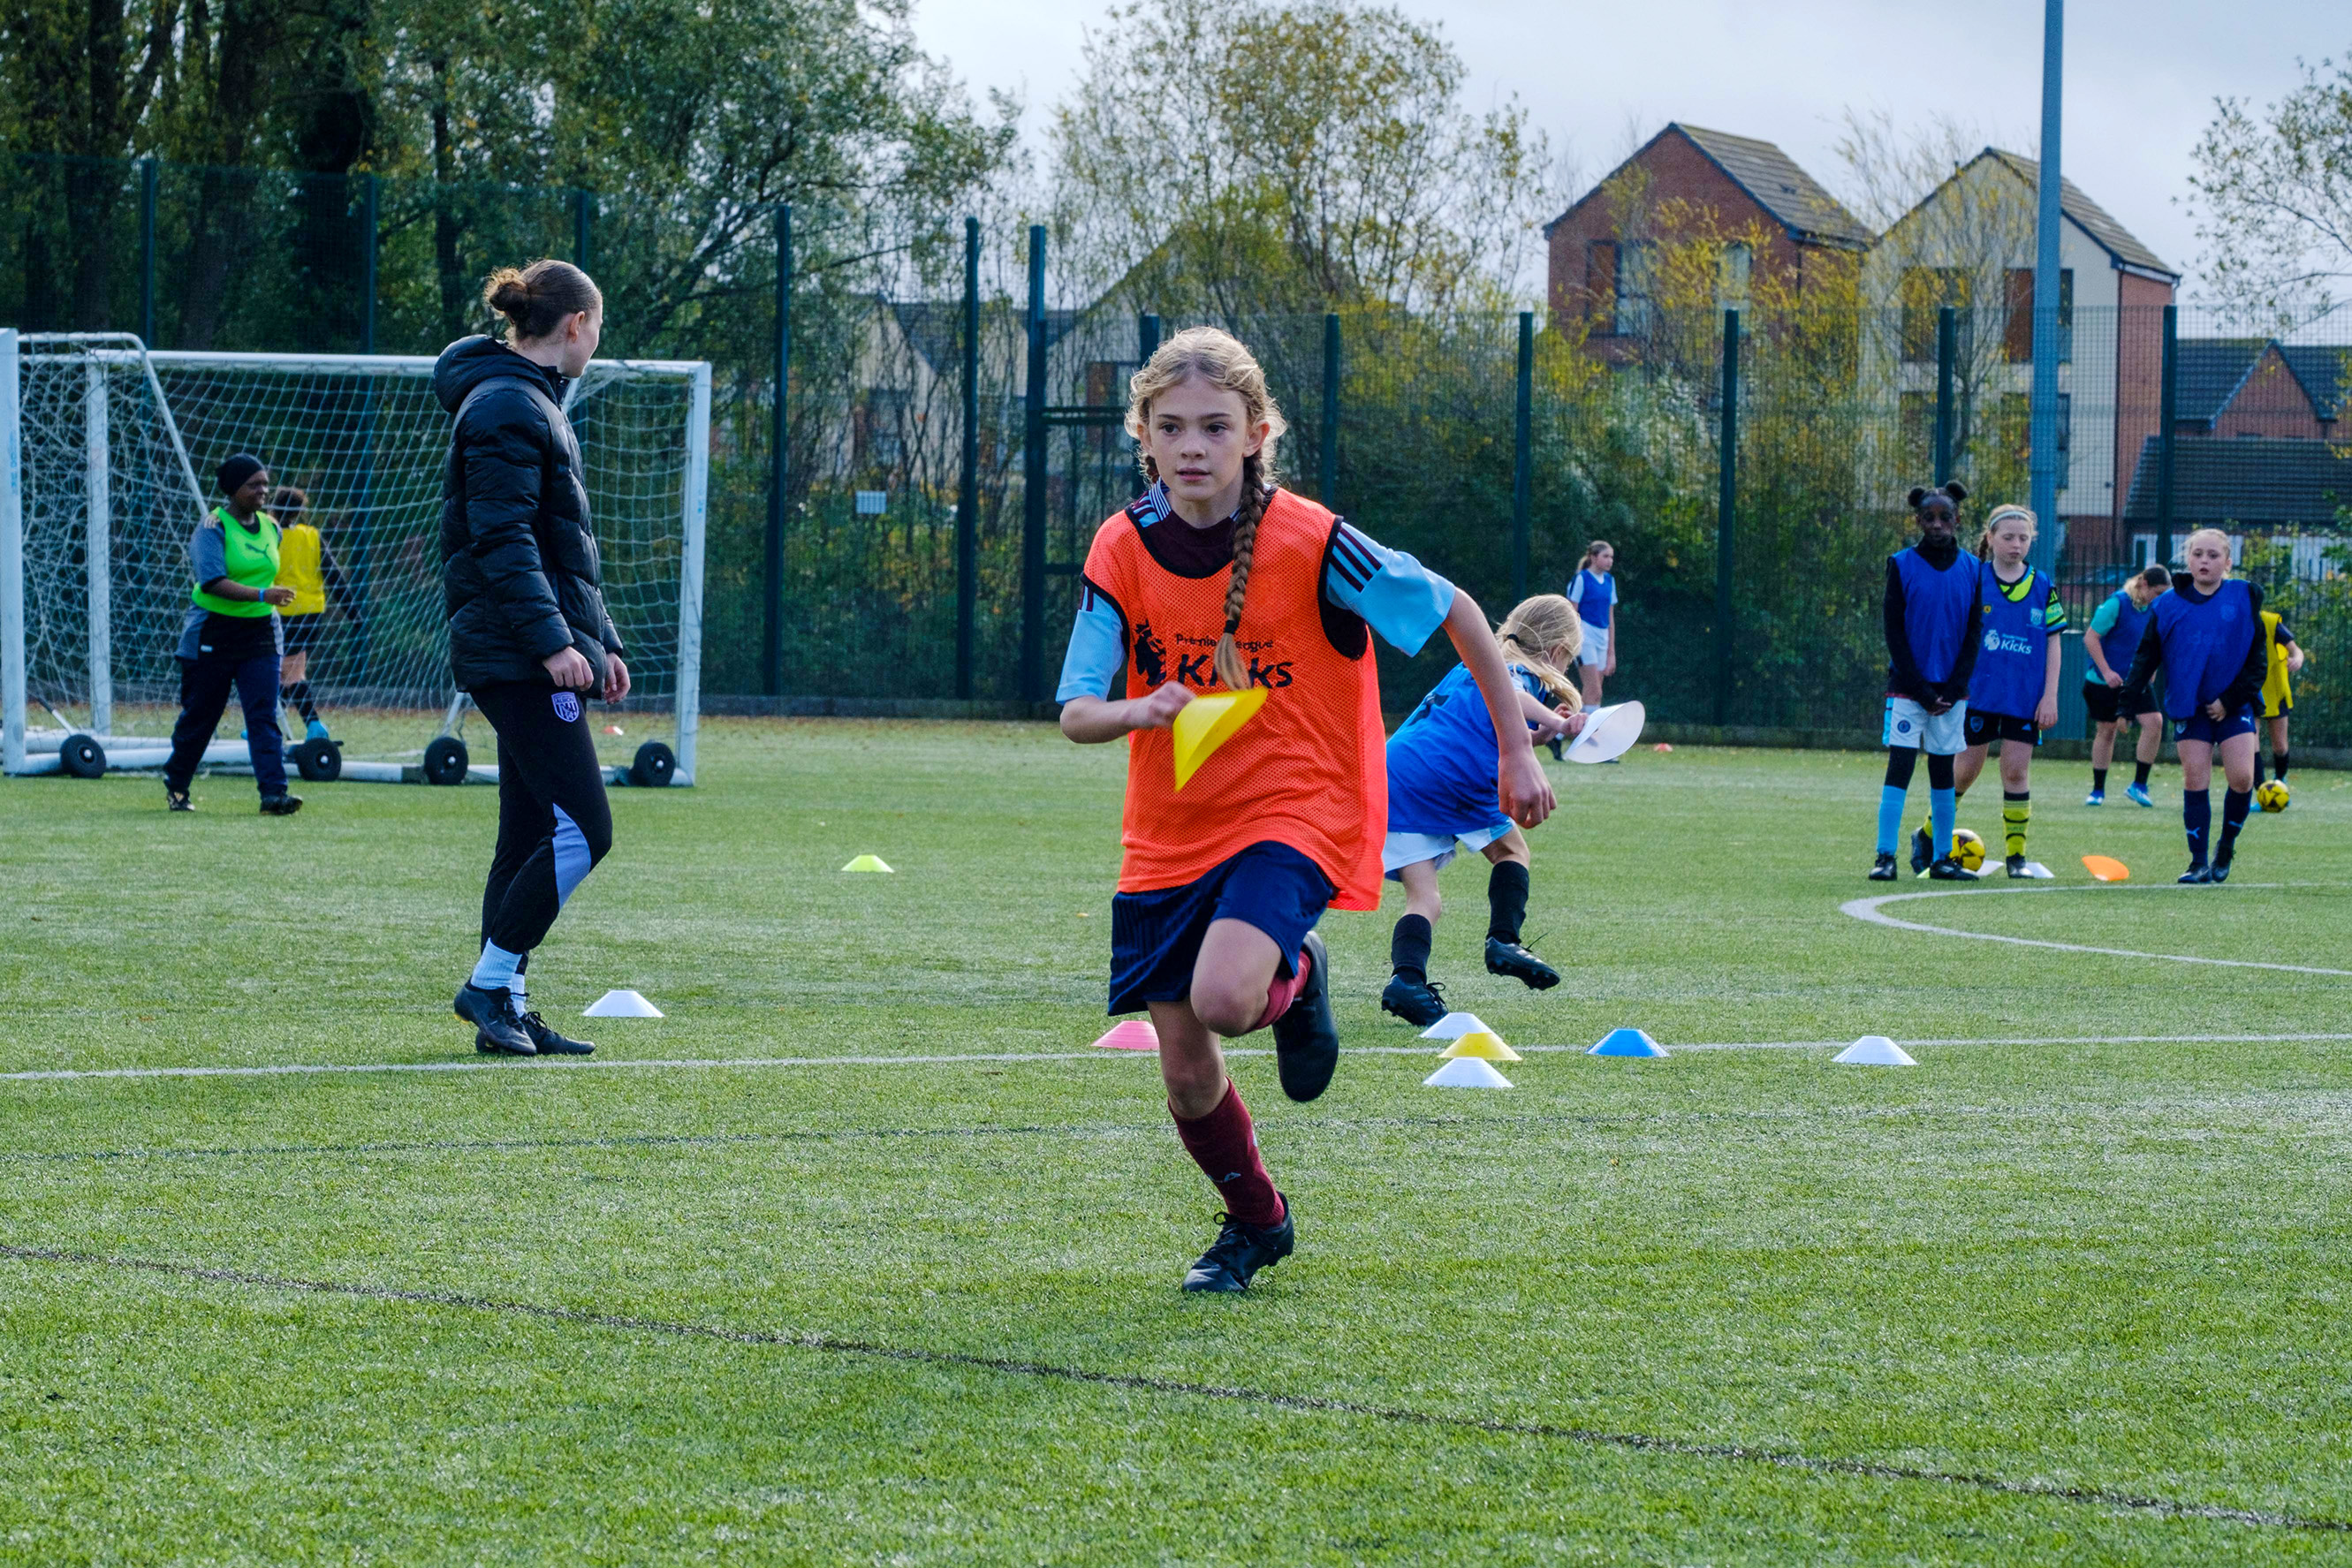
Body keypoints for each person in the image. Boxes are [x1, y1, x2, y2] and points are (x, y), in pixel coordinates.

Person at [1057, 326, 1553, 1294]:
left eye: (1214, 424)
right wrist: (1138, 707)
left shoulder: (1315, 541)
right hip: (1171, 824)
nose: (1192, 444)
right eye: (1170, 426)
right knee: (1186, 1072)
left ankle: (1295, 965)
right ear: (1143, 439)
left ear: (1256, 432)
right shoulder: (1121, 546)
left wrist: (1514, 743)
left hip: (1302, 805)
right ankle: (1256, 1222)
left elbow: (1455, 610)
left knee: (1227, 996)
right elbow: (1076, 709)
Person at [437, 260, 627, 1057]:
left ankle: (505, 1006)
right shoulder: (510, 403)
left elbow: (559, 548)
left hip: (528, 646)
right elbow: (504, 539)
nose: (597, 342)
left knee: (525, 836)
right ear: (575, 324)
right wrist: (554, 644)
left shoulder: (528, 401)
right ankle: (489, 981)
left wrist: (599, 641)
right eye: (599, 328)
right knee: (586, 827)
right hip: (516, 654)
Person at [1378, 594, 1586, 1026]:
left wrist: (1541, 733)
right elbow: (1509, 694)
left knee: (1425, 897)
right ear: (1556, 649)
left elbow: (1495, 724)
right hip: (1452, 777)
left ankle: (1407, 981)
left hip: (1397, 775)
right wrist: (1559, 720)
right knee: (1513, 853)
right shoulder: (1512, 669)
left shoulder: (1472, 662)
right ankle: (1504, 940)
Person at [1910, 504, 2065, 879]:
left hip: (2023, 698)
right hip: (1976, 695)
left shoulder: (2042, 585)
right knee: (1964, 772)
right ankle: (1927, 836)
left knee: (2016, 772)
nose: (2016, 545)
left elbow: (2054, 644)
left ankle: (2017, 858)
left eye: (2023, 538)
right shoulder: (1973, 579)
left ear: (2032, 542)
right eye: (2008, 537)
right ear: (1990, 538)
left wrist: (2049, 696)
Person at [2119, 528, 2266, 883]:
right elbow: (2145, 658)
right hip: (2190, 707)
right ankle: (2197, 863)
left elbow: (2257, 662)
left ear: (2228, 562)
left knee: (2243, 778)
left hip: (2233, 707)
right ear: (2188, 559)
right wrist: (2126, 705)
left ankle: (2226, 847)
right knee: (2195, 777)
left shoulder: (2244, 596)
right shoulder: (2166, 605)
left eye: (2213, 556)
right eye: (2198, 554)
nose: (2205, 561)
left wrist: (2228, 701)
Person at [161, 453, 302, 815]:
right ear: (233, 489)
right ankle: (177, 782)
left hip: (260, 633)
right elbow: (211, 582)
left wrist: (265, 599)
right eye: (254, 484)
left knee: (263, 714)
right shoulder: (212, 527)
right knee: (202, 715)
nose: (263, 490)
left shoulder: (272, 527)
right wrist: (261, 594)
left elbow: (263, 572)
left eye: (265, 483)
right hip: (214, 631)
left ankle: (274, 795)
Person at [1870, 482, 1982, 882]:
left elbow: (1973, 633)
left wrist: (1952, 690)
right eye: (1928, 518)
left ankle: (1941, 859)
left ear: (1957, 520)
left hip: (1951, 693)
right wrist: (1920, 689)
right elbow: (1894, 632)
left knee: (1942, 772)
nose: (1937, 525)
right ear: (1917, 520)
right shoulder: (1900, 564)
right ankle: (1885, 856)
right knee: (1899, 767)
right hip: (1908, 689)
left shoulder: (1972, 568)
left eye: (1944, 517)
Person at [267, 484, 359, 742]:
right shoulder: (312, 536)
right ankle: (272, 722)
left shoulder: (270, 535)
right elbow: (334, 576)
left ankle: (312, 725)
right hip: (311, 613)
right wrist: (352, 612)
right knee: (291, 670)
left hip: (280, 611)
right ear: (299, 512)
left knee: (288, 671)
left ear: (273, 506)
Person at [2082, 564, 2169, 807]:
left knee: (2155, 723)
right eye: (2159, 592)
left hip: (2135, 681)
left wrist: (2149, 671)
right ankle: (2098, 791)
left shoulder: (2155, 610)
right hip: (2104, 681)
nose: (2162, 598)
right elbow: (2091, 638)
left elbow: (2155, 645)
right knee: (2107, 730)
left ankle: (2139, 785)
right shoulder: (2117, 603)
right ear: (2143, 584)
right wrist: (2107, 671)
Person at [2252, 607, 2305, 789]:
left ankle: (2281, 781)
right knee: (2252, 743)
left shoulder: (2271, 622)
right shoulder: (2233, 621)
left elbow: (2296, 650)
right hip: (2248, 690)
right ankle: (2261, 790)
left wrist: (2297, 659)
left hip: (2275, 691)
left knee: (2280, 746)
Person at [1567, 540, 1620, 712]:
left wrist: (1611, 653)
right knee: (1594, 690)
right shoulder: (1581, 579)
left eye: (1611, 557)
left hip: (1602, 639)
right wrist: (1571, 641)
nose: (1610, 560)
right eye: (1605, 556)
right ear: (1593, 557)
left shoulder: (1610, 581)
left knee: (1593, 694)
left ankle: (1558, 734)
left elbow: (1610, 617)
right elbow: (1571, 612)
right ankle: (1591, 735)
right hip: (1585, 637)